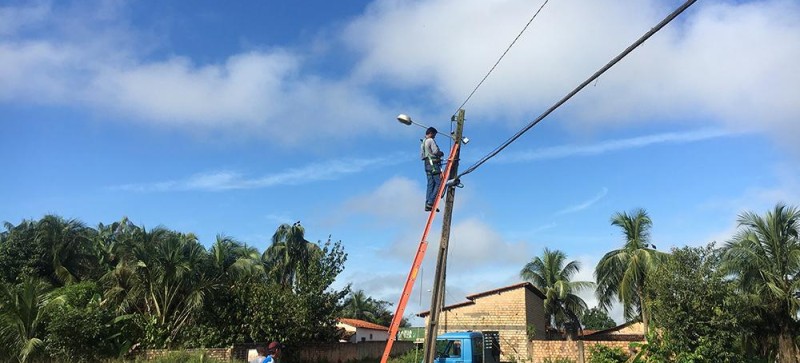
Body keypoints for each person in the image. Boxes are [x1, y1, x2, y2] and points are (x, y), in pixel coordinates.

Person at [421, 127, 445, 212]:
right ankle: (430, 202)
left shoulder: (423, 142)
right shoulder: (431, 140)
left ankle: (428, 204)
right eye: (434, 134)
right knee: (439, 183)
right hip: (433, 164)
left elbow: (422, 156)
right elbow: (435, 151)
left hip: (426, 164)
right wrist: (441, 153)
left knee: (430, 184)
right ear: (431, 133)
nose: (434, 136)